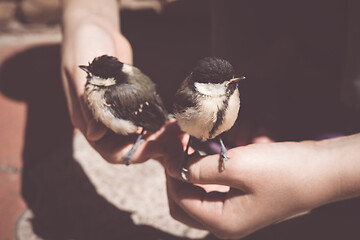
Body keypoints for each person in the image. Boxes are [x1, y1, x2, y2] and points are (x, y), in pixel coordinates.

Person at [61, 0, 360, 239]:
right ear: (203, 86)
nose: (233, 85)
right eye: (225, 83)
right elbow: (179, 120)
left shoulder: (232, 93)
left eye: (232, 82)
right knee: (197, 132)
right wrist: (87, 18)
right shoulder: (189, 100)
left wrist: (328, 170)